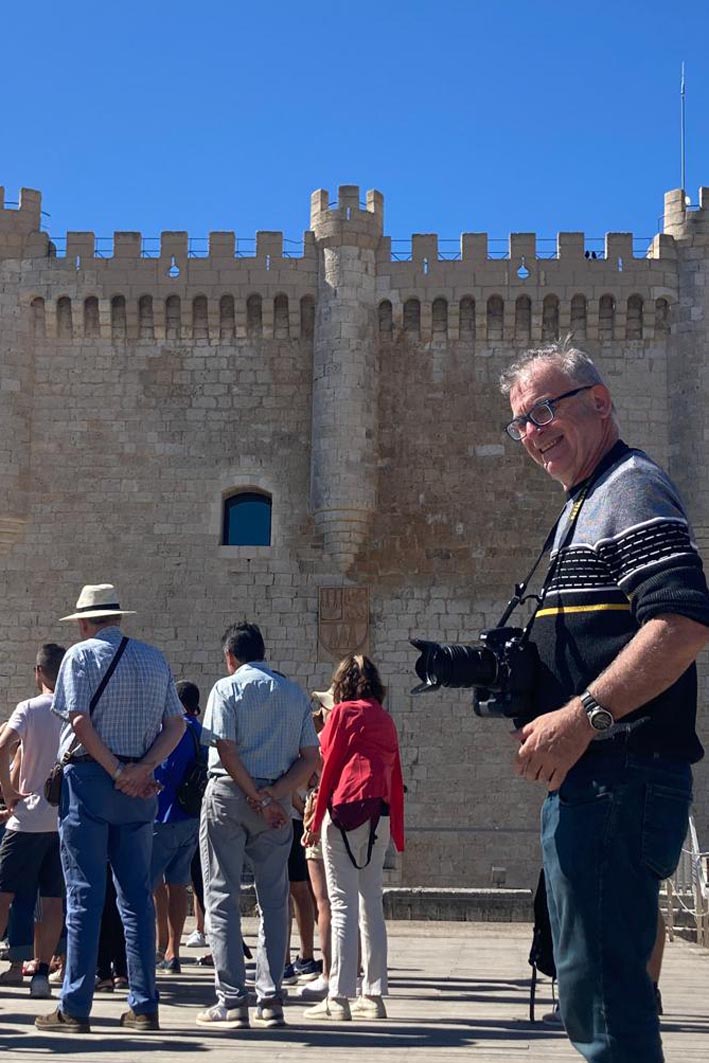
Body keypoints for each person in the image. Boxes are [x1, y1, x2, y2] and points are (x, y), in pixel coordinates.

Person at [501, 343, 709, 1063]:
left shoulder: (630, 486)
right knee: (604, 985)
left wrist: (582, 715)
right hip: (600, 782)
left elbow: (679, 623)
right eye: (521, 422)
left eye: (543, 409)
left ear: (599, 400)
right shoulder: (580, 505)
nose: (533, 430)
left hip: (617, 779)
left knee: (601, 999)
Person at [35, 583, 185, 1035]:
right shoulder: (154, 658)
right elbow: (176, 724)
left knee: (84, 895)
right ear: (118, 617)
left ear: (84, 622)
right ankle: (143, 1004)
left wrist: (117, 769)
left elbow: (78, 719)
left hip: (90, 780)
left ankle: (75, 1006)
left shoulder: (79, 658)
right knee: (137, 897)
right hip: (140, 791)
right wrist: (142, 769)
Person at [197, 621, 319, 1031]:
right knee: (274, 898)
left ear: (230, 657)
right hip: (277, 806)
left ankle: (232, 1000)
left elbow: (225, 749)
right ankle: (270, 998)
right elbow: (309, 758)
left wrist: (253, 793)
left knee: (221, 896)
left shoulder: (225, 689)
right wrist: (274, 795)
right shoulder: (293, 693)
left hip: (231, 798)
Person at [303, 655, 405, 1022]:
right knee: (371, 904)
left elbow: (327, 763)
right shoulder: (385, 717)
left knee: (342, 905)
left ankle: (338, 997)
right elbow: (394, 771)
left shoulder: (344, 713)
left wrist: (314, 821)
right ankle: (374, 996)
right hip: (380, 813)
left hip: (345, 810)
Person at [0, 644, 66, 999]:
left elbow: (3, 746)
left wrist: (8, 790)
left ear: (38, 672)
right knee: (53, 900)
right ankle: (41, 973)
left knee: (3, 893)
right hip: (62, 821)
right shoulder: (74, 711)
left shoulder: (29, 708)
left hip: (25, 820)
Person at [151, 679, 205, 975]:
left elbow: (164, 769)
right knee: (178, 884)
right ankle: (173, 949)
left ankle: (153, 948)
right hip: (191, 816)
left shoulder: (173, 729)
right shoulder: (201, 730)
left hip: (165, 815)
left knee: (145, 884)